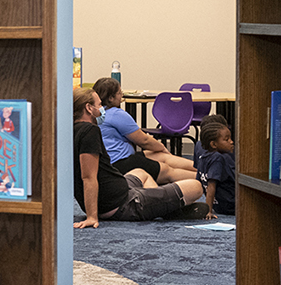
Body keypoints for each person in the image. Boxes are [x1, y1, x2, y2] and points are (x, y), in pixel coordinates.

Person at [72, 86, 206, 226]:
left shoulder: (71, 130)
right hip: (123, 204)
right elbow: (88, 177)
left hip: (118, 192)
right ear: (89, 108)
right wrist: (92, 217)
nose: (102, 109)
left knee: (140, 172)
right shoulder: (90, 131)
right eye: (99, 105)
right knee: (196, 187)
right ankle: (163, 206)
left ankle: (161, 206)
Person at [91, 77, 198, 184]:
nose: (122, 95)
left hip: (112, 162)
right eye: (119, 93)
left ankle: (201, 169)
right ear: (111, 98)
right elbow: (144, 141)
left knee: (161, 157)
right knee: (167, 170)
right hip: (120, 163)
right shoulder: (115, 114)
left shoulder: (96, 114)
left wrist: (162, 151)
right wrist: (163, 148)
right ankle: (204, 177)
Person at [197, 116, 236, 216]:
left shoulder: (202, 157)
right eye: (226, 140)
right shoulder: (218, 158)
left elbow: (198, 182)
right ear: (213, 144)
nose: (231, 142)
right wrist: (208, 211)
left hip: (218, 206)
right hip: (230, 205)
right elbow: (211, 185)